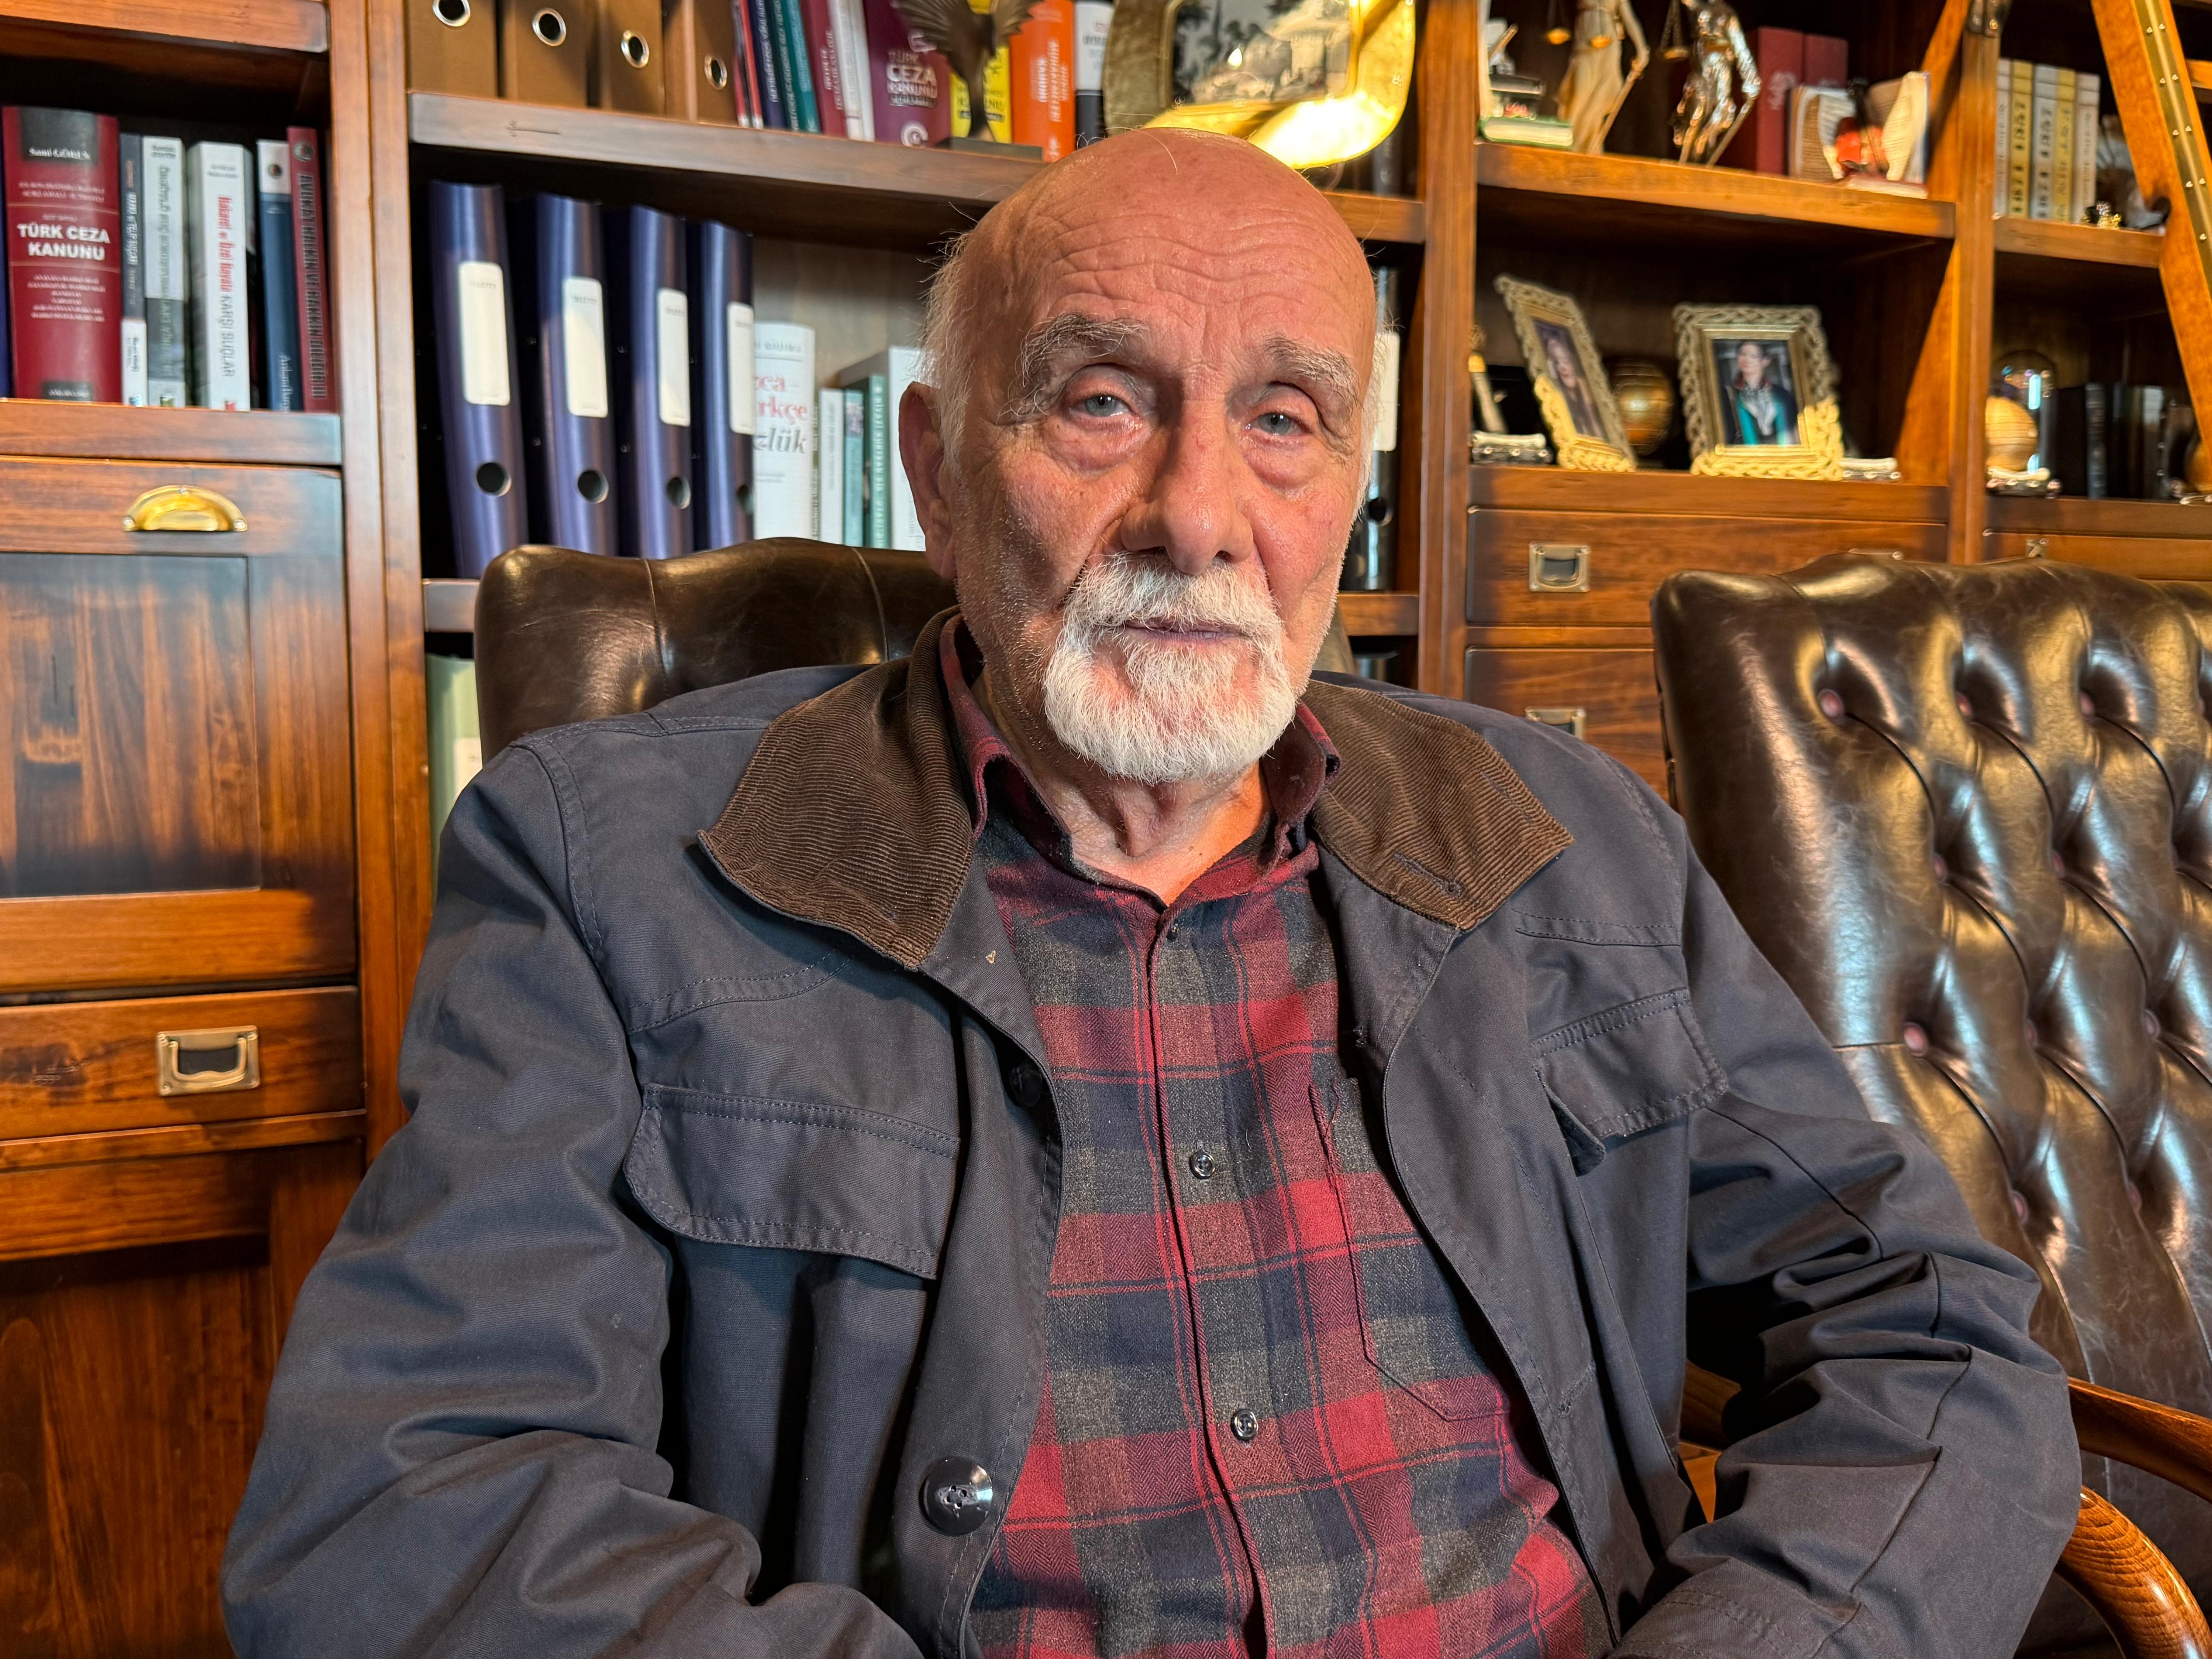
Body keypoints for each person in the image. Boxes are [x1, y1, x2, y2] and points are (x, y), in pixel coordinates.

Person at [222, 129, 2076, 1658]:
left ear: (1346, 488)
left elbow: (1925, 1318)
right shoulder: (607, 868)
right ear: (939, 473)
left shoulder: (1559, 835)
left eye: (1283, 419)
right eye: (1102, 403)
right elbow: (408, 1504)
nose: (1198, 514)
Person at [1720, 337, 1798, 445]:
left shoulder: (1782, 395)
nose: (1747, 360)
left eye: (1754, 356)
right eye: (1743, 354)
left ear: (1766, 361)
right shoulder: (1727, 395)